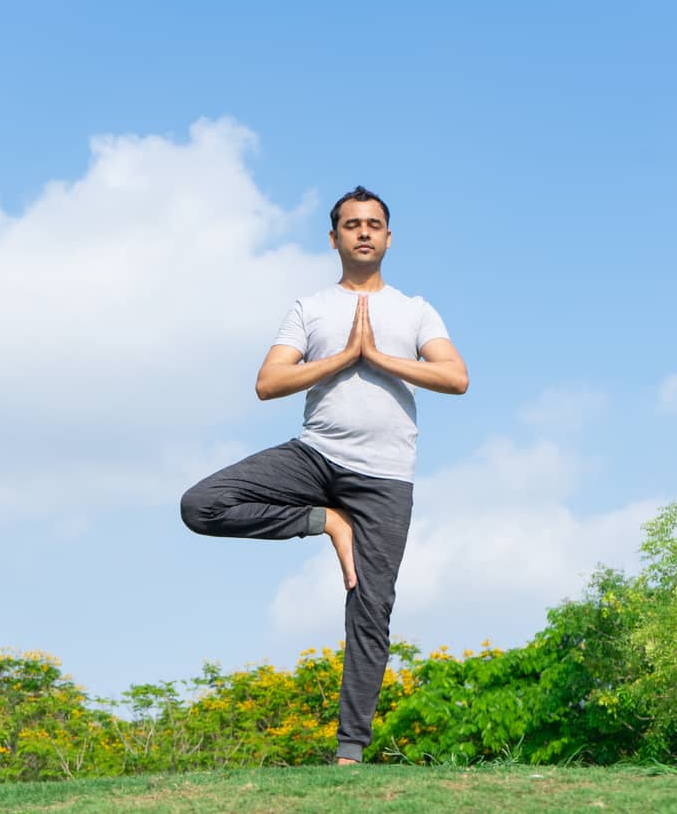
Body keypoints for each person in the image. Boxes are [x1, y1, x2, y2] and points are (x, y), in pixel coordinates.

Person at [179, 185, 468, 764]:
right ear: (334, 237)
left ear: (388, 237)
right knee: (200, 504)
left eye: (374, 224)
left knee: (370, 606)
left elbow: (456, 377)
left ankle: (349, 753)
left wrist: (379, 357)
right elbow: (268, 383)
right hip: (314, 458)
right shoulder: (309, 309)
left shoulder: (415, 310)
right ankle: (325, 522)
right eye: (352, 224)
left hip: (385, 479)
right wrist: (343, 357)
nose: (363, 232)